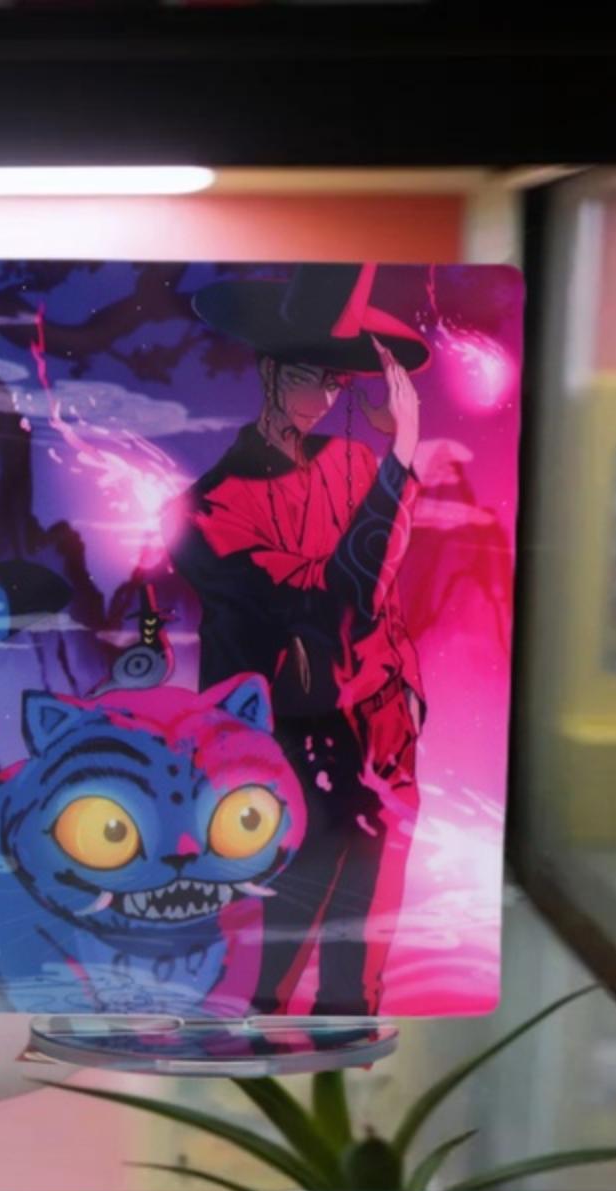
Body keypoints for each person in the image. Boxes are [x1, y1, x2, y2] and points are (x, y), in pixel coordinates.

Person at [168, 263, 428, 1014]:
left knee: (361, 964)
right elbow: (339, 600)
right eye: (312, 376)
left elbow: (381, 607)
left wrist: (403, 700)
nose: (327, 397)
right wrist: (401, 461)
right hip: (289, 748)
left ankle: (346, 1040)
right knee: (269, 959)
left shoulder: (351, 462)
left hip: (380, 732)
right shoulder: (208, 509)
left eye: (338, 382)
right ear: (270, 370)